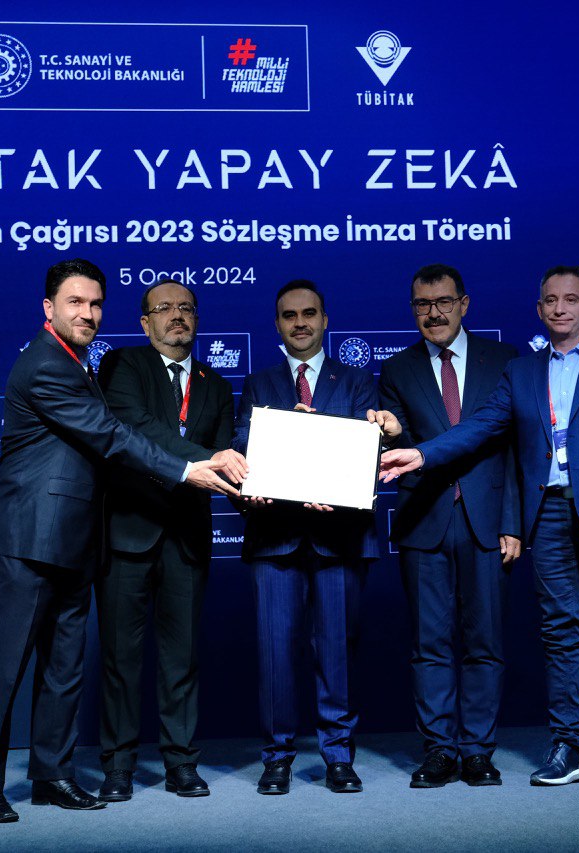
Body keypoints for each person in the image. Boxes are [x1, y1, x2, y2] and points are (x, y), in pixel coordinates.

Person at [0, 259, 246, 823]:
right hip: (29, 537)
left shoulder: (81, 364)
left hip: (76, 540)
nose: (88, 313)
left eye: (95, 304)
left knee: (64, 670)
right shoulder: (45, 364)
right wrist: (186, 469)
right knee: (5, 669)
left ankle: (52, 775)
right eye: (75, 302)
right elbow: (111, 434)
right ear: (49, 308)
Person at [378, 265, 579, 792]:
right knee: (559, 633)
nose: (560, 308)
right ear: (538, 309)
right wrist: (420, 454)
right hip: (548, 516)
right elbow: (481, 428)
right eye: (550, 300)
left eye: (571, 299)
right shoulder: (522, 370)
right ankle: (570, 746)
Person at [375, 263, 521, 788]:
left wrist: (513, 523)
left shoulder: (504, 360)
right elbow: (398, 447)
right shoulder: (396, 369)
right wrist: (392, 433)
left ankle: (478, 751)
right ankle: (439, 749)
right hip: (424, 521)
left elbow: (517, 450)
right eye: (422, 304)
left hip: (488, 521)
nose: (433, 313)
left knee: (485, 643)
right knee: (430, 644)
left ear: (464, 303)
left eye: (442, 302)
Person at [232, 280, 380, 795]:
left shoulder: (358, 381)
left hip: (339, 537)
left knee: (336, 652)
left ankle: (338, 756)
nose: (300, 323)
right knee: (275, 656)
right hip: (275, 536)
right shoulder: (258, 384)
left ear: (324, 319)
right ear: (277, 324)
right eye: (289, 315)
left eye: (309, 313)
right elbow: (241, 449)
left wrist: (323, 443)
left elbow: (369, 451)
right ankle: (277, 758)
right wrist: (277, 445)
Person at [95, 278, 235, 800]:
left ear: (197, 319)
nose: (177, 316)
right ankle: (118, 767)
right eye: (165, 308)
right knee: (120, 659)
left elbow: (228, 461)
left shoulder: (217, 385)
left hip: (187, 539)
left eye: (186, 308)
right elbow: (134, 428)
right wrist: (208, 460)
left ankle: (181, 763)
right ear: (145, 321)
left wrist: (259, 482)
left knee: (182, 658)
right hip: (128, 533)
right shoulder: (122, 366)